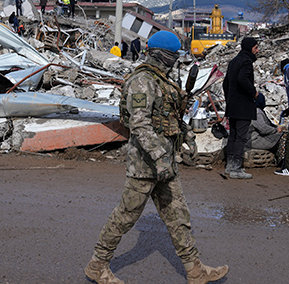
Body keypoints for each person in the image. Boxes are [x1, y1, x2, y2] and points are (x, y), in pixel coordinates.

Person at [85, 31, 228, 284]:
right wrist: (160, 156)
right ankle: (97, 265)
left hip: (165, 165)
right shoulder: (142, 81)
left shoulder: (162, 81)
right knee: (125, 216)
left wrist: (187, 137)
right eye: (173, 56)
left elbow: (168, 118)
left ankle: (195, 270)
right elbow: (139, 124)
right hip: (145, 166)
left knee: (178, 215)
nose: (175, 61)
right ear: (162, 55)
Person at [222, 36, 262, 180]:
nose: (257, 51)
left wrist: (229, 98)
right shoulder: (246, 62)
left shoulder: (234, 61)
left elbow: (225, 83)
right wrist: (254, 93)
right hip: (243, 105)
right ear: (249, 47)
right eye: (255, 48)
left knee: (233, 135)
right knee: (241, 137)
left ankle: (229, 166)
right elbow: (243, 79)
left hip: (232, 105)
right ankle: (236, 169)